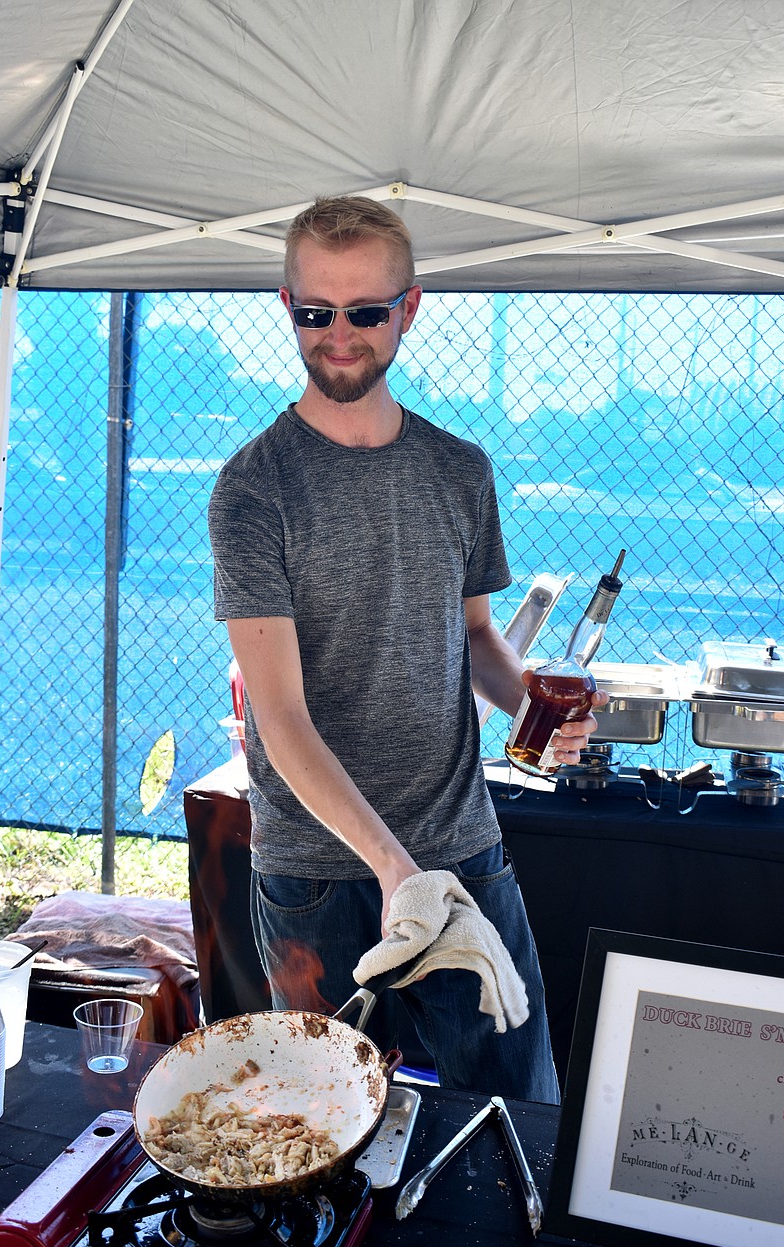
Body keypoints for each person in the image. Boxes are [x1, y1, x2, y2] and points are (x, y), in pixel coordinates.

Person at [208, 195, 607, 1102]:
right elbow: (277, 713)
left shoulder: (460, 469)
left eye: (365, 311)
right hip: (317, 873)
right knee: (319, 1131)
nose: (338, 335)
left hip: (462, 852)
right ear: (287, 306)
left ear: (411, 308)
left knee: (515, 1116)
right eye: (316, 312)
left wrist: (532, 701)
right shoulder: (251, 489)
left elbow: (474, 638)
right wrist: (394, 870)